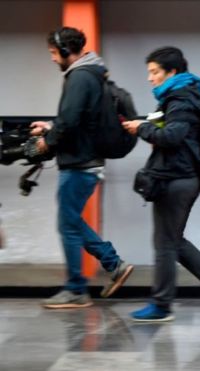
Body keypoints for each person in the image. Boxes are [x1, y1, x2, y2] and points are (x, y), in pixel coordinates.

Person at [122, 47, 200, 322]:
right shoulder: (185, 98)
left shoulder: (179, 100)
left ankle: (161, 305)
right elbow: (177, 136)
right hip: (182, 176)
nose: (150, 78)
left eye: (154, 72)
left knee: (164, 244)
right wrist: (150, 128)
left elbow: (172, 136)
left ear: (172, 72)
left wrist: (141, 128)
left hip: (175, 178)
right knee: (173, 241)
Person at [29, 27, 133, 309]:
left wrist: (46, 142)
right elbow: (78, 118)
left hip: (79, 163)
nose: (52, 59)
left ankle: (77, 289)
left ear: (65, 51)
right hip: (86, 161)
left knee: (68, 225)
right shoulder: (92, 74)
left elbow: (72, 120)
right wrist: (51, 126)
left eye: (53, 53)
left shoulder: (79, 76)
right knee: (70, 221)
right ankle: (114, 264)